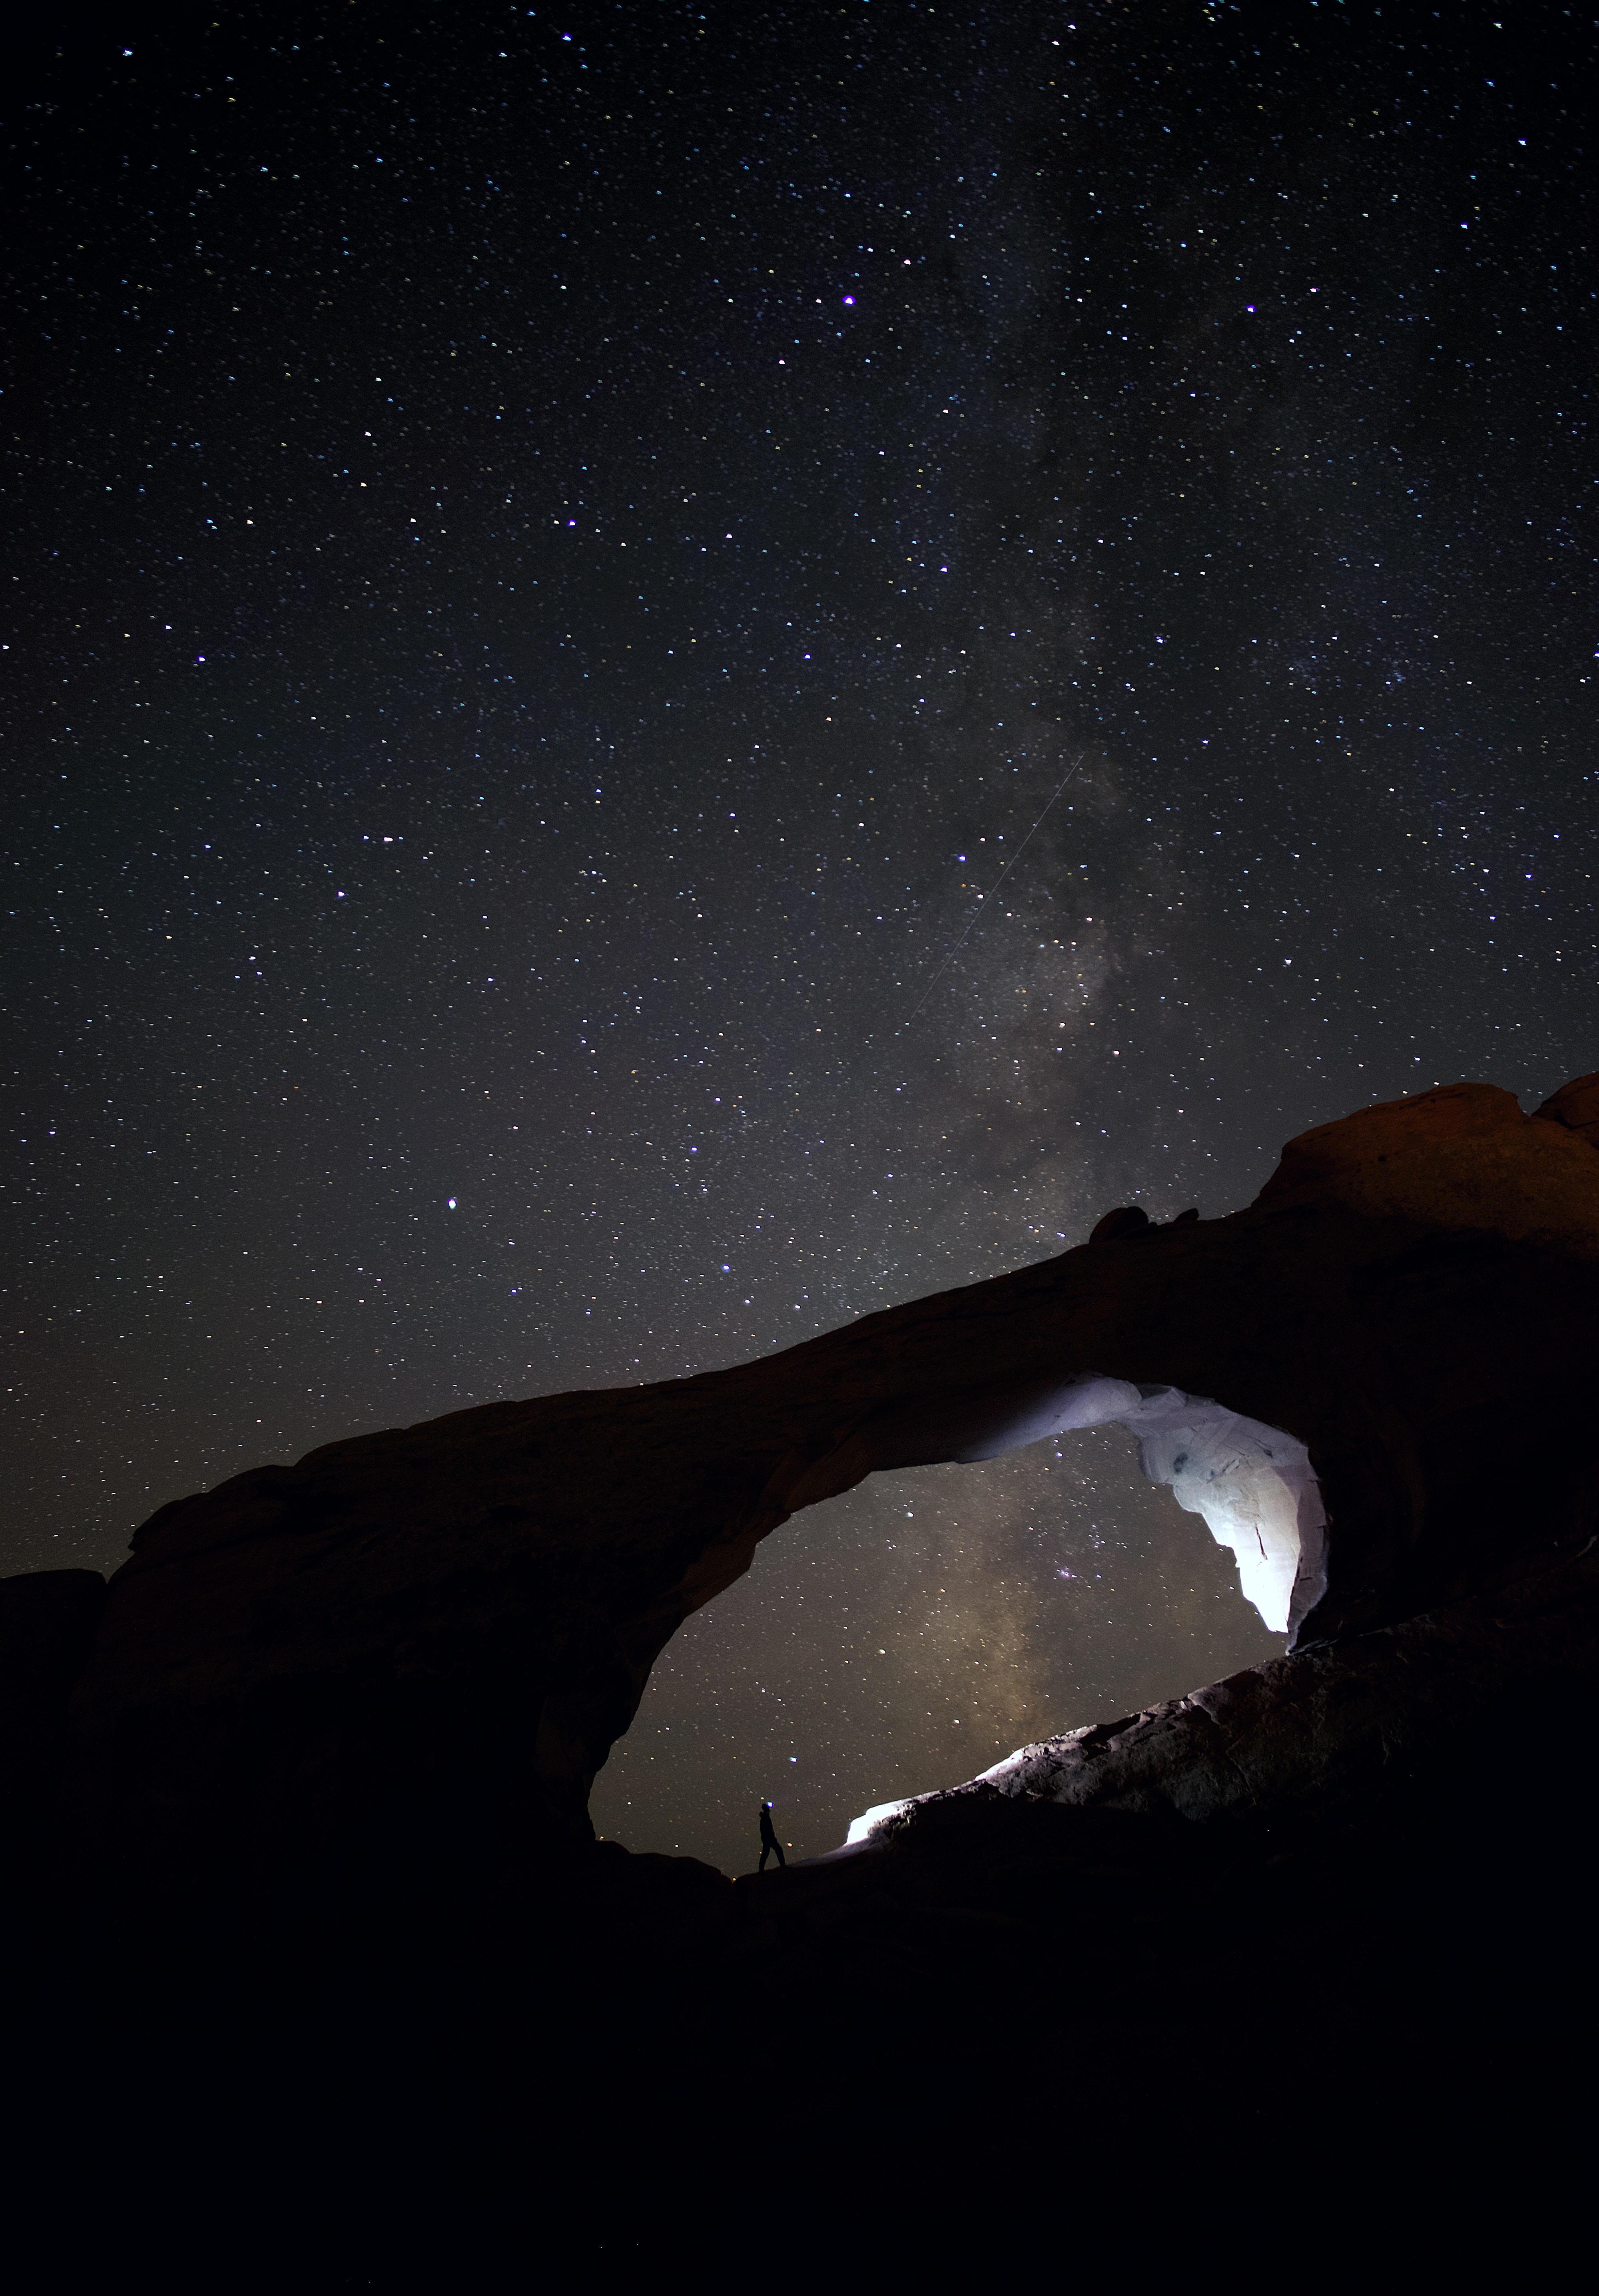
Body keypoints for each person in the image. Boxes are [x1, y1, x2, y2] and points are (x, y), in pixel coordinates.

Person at [758, 1800, 787, 1872]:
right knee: (778, 1850)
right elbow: (767, 1829)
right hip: (769, 1838)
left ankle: (761, 1870)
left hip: (767, 1838)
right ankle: (783, 1866)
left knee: (766, 1853)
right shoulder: (765, 1817)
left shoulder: (765, 1817)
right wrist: (771, 1836)